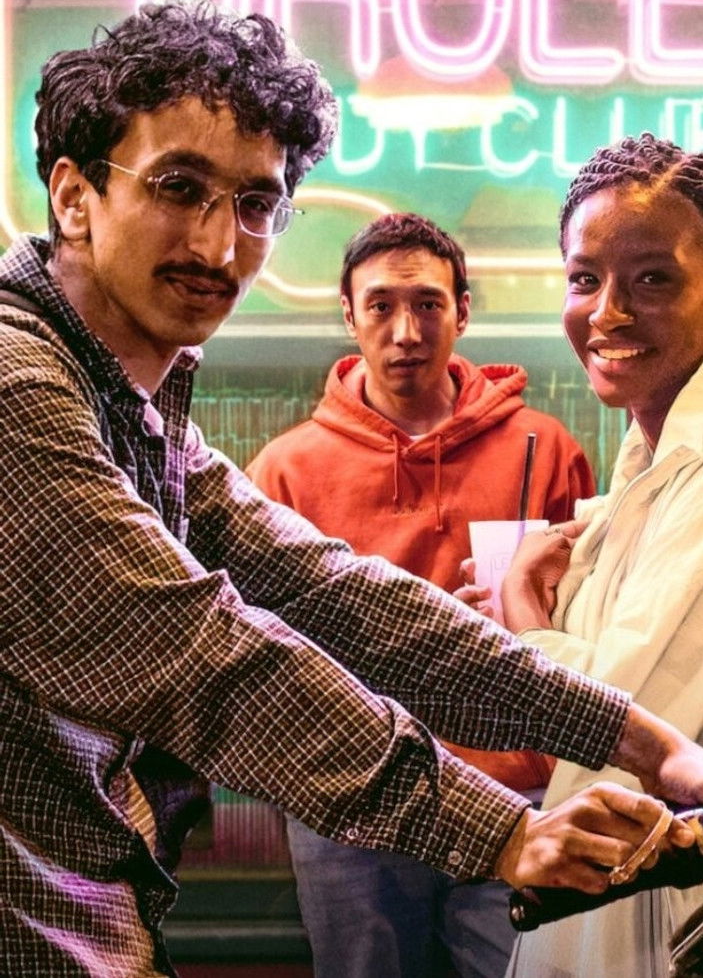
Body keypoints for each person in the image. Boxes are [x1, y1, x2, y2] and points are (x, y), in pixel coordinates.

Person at [0, 0, 703, 978]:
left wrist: (644, 740)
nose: (218, 246)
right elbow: (195, 651)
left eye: (254, 203)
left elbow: (340, 597)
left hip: (85, 914)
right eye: (179, 187)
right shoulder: (16, 384)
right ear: (73, 196)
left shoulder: (134, 411)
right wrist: (503, 833)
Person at [245, 212, 595, 978]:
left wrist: (521, 607)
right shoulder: (285, 470)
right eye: (381, 305)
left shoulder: (545, 449)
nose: (406, 331)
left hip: (516, 789)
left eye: (428, 304)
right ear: (349, 315)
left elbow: (592, 627)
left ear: (462, 311)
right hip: (354, 806)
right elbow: (261, 652)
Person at [497, 132, 703, 978]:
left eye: (652, 279)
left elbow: (630, 712)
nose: (607, 312)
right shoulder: (660, 444)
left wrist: (521, 613)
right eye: (585, 279)